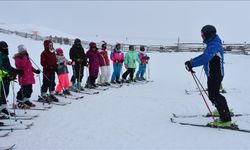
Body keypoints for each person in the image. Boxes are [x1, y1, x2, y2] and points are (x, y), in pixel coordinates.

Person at [184, 25, 234, 127]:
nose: (202, 37)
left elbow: (205, 58)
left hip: (216, 75)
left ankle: (225, 119)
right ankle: (221, 109)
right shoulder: (212, 42)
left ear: (208, 35)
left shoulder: (214, 45)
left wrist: (191, 63)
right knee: (213, 94)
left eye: (203, 35)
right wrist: (191, 62)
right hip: (213, 74)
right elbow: (206, 57)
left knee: (214, 95)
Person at [0, 41, 23, 116]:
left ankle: (3, 108)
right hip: (2, 78)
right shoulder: (0, 55)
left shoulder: (5, 56)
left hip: (6, 77)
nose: (6, 49)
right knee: (1, 94)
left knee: (5, 93)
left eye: (6, 47)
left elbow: (8, 67)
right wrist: (7, 74)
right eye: (4, 47)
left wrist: (16, 71)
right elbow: (1, 68)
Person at [14, 44, 40, 109]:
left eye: (25, 51)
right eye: (23, 51)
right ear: (20, 51)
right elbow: (21, 65)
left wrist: (35, 71)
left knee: (30, 90)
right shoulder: (18, 58)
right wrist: (25, 57)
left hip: (29, 77)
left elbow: (29, 66)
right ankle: (19, 101)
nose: (24, 52)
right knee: (24, 90)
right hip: (23, 76)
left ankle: (26, 100)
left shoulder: (26, 57)